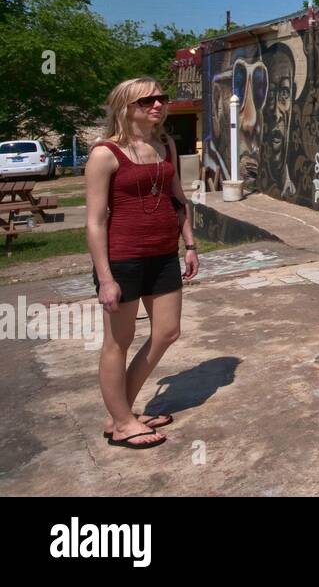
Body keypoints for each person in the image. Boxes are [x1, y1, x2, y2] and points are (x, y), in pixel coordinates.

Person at [85, 77, 199, 449]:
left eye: (161, 99)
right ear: (125, 108)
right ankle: (121, 423)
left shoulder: (165, 144)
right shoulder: (105, 153)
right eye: (146, 100)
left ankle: (122, 413)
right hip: (122, 259)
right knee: (118, 341)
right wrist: (105, 278)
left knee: (167, 332)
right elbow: (95, 219)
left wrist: (190, 245)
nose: (158, 105)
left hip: (163, 255)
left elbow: (178, 198)